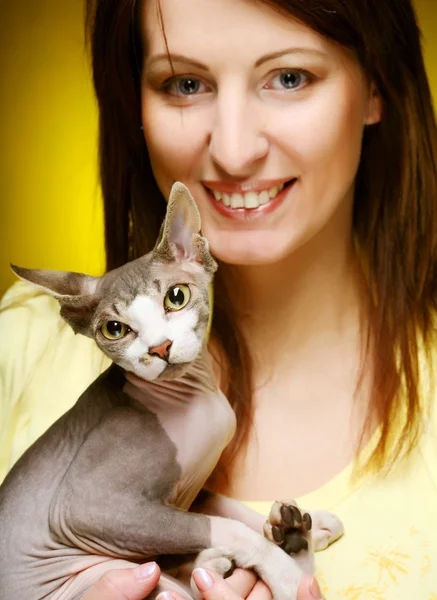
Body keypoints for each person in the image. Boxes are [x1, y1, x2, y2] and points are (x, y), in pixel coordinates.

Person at [1, 0, 437, 598]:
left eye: (289, 77)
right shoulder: (17, 348)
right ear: (136, 103)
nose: (233, 152)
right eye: (185, 83)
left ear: (375, 87)